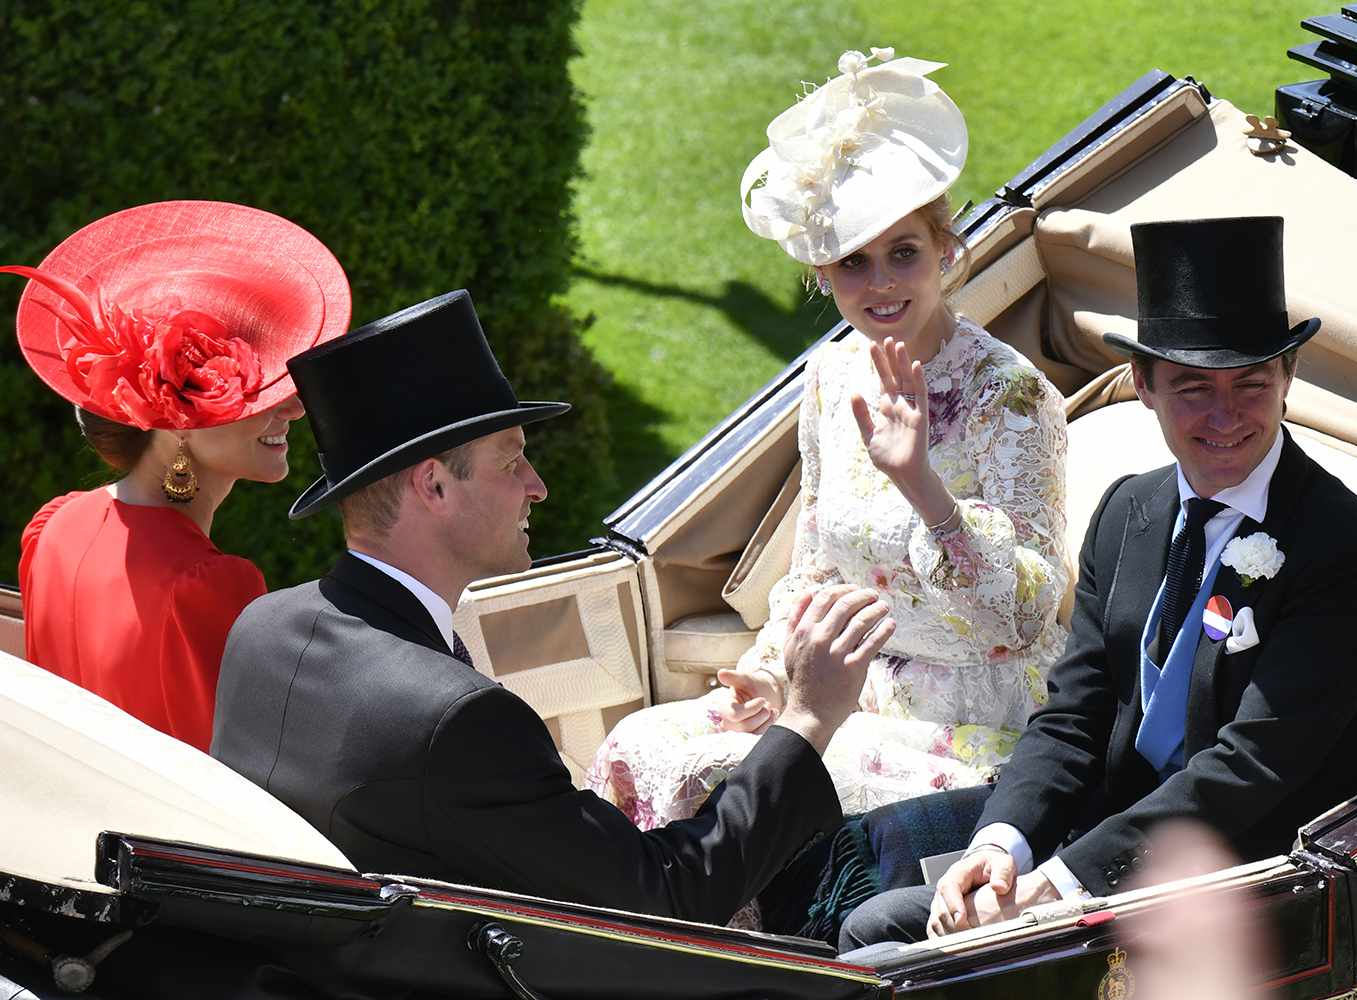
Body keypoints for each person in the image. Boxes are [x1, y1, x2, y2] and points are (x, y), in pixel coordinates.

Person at [210, 289, 895, 924]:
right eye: (511, 463)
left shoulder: (263, 628)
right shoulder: (455, 722)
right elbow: (666, 897)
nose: (536, 488)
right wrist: (807, 717)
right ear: (434, 487)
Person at [839, 216, 1357, 948]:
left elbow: (1254, 768)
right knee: (872, 929)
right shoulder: (1129, 511)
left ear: (1288, 380)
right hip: (1111, 844)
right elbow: (1075, 715)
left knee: (920, 965)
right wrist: (1000, 850)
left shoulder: (1346, 548)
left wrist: (1061, 884)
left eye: (1252, 384)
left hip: (1264, 884)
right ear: (1142, 384)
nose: (1226, 415)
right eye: (1194, 388)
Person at [589, 48, 1070, 832]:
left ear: (946, 250)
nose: (880, 284)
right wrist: (769, 674)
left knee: (736, 793)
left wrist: (921, 482)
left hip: (967, 721)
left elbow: (1025, 614)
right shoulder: (831, 375)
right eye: (853, 263)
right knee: (645, 744)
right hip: (836, 695)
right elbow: (815, 562)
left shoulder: (1011, 395)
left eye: (903, 253)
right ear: (821, 274)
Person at [7, 201, 350, 752]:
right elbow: (250, 776)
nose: (293, 411)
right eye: (256, 394)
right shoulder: (207, 584)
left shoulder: (54, 527)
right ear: (177, 420)